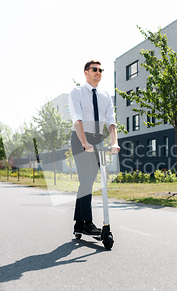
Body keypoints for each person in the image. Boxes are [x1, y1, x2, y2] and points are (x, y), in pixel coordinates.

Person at [68, 60, 120, 236]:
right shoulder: (77, 92)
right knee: (87, 178)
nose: (98, 72)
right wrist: (85, 143)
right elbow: (77, 120)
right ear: (86, 72)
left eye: (100, 70)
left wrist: (114, 142)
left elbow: (111, 121)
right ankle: (87, 223)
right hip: (81, 138)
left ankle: (79, 223)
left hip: (98, 141)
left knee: (87, 182)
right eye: (94, 69)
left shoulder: (105, 96)